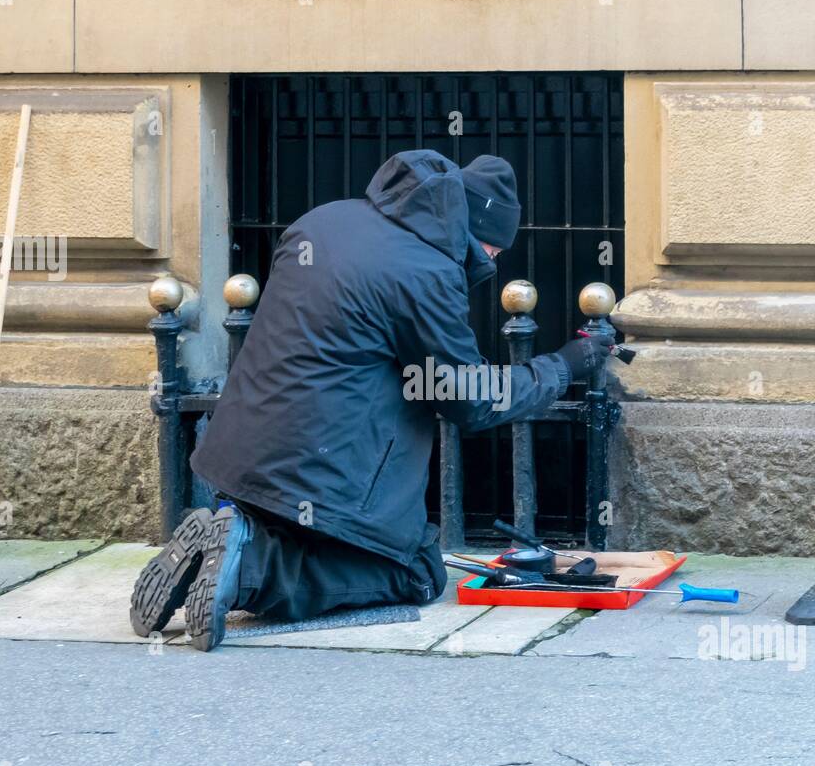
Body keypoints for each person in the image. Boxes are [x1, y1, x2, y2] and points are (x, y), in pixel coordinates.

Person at [129, 150, 613, 651]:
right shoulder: (425, 272)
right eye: (495, 250)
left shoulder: (322, 221)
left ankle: (227, 542)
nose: (494, 262)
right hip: (325, 474)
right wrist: (565, 364)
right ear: (478, 234)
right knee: (420, 571)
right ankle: (252, 563)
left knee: (313, 537)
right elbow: (468, 399)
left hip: (241, 459)